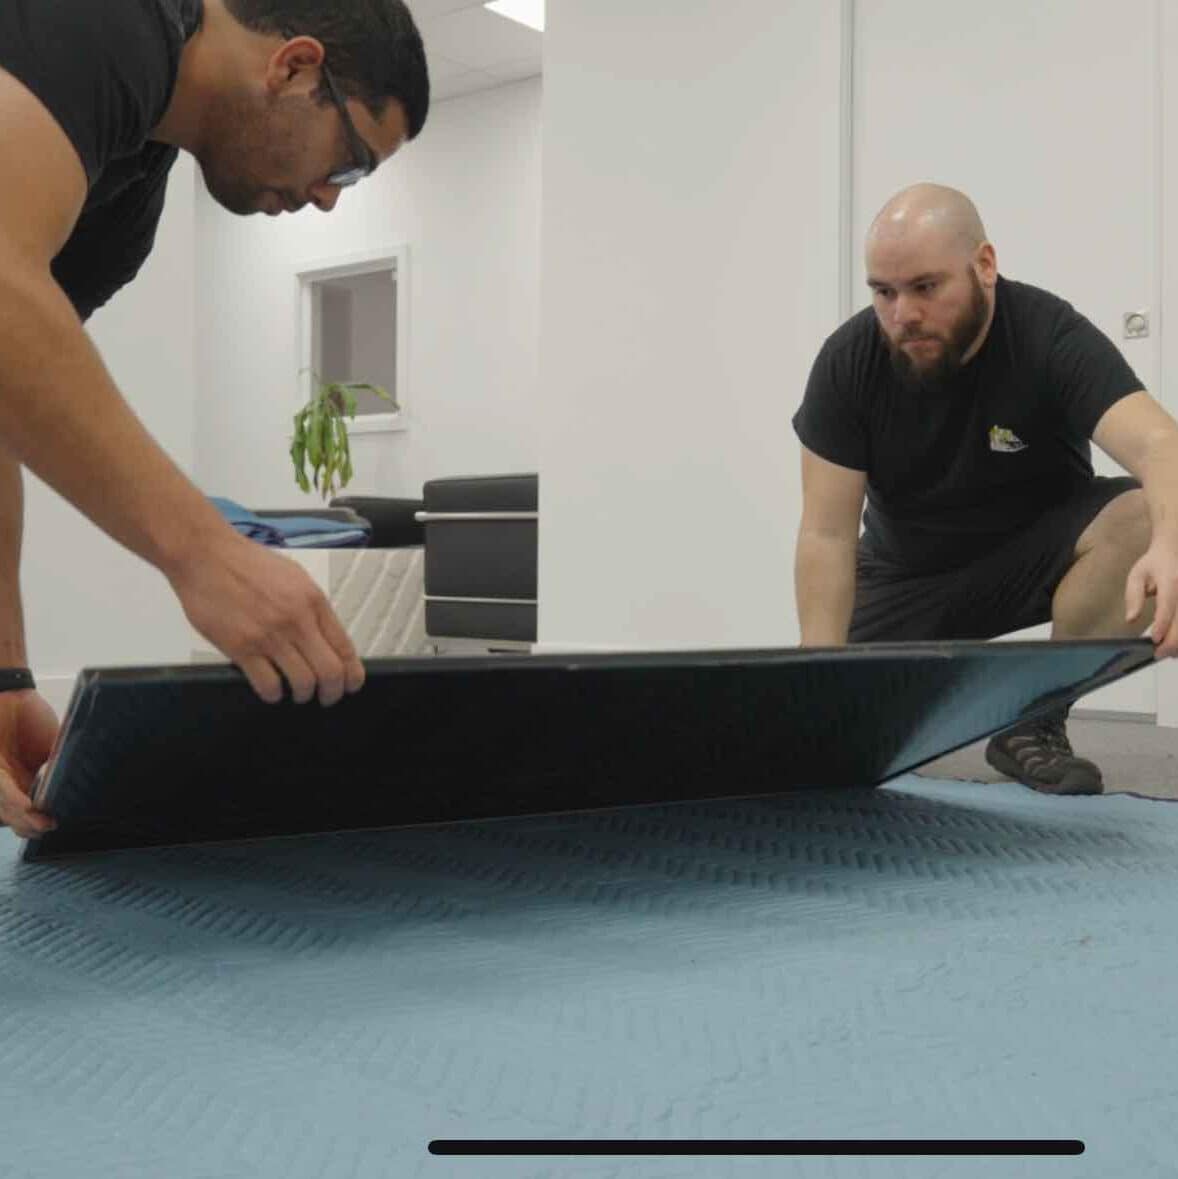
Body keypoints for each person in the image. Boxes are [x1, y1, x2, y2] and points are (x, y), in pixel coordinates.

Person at [0, 0, 430, 837]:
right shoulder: (113, 22)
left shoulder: (123, 214)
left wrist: (4, 671)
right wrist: (203, 553)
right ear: (295, 67)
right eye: (348, 168)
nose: (329, 201)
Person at [793, 183, 1178, 795]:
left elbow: (1162, 445)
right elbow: (825, 533)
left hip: (1036, 559)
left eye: (925, 287)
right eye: (883, 292)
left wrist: (1173, 546)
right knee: (838, 730)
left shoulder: (1047, 334)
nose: (903, 315)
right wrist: (817, 675)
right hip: (906, 579)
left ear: (985, 266)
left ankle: (1034, 724)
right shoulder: (849, 363)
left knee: (1141, 519)